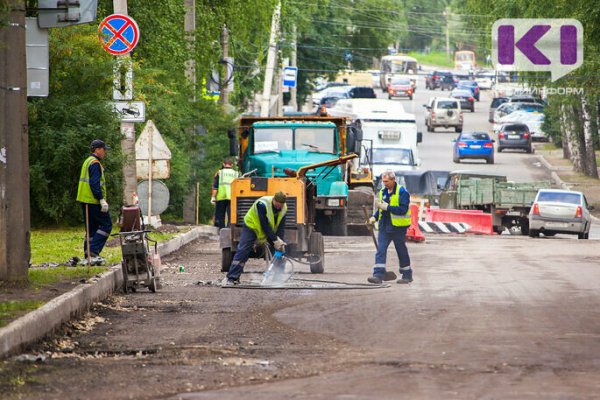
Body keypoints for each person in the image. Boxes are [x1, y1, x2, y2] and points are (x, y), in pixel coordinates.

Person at [224, 192, 288, 285]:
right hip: (252, 227)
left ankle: (277, 278)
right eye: (277, 204)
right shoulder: (262, 204)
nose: (279, 207)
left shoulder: (284, 208)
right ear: (274, 200)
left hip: (266, 230)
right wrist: (274, 240)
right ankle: (232, 277)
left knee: (281, 250)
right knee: (243, 250)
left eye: (281, 205)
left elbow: (280, 227)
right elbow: (264, 225)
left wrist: (279, 241)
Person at [367, 170, 413, 284]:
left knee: (401, 250)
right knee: (380, 250)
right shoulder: (382, 192)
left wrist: (388, 207)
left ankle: (407, 275)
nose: (385, 184)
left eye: (387, 181)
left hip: (398, 228)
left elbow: (403, 210)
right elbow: (381, 209)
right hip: (384, 226)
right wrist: (374, 217)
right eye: (383, 181)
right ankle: (378, 275)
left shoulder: (402, 192)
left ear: (393, 180)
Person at [76, 139, 113, 264]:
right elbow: (94, 183)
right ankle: (93, 251)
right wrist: (101, 199)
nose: (105, 152)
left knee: (91, 228)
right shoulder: (95, 163)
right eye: (103, 149)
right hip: (93, 201)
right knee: (106, 225)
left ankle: (88, 254)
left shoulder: (87, 161)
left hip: (84, 200)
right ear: (97, 150)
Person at [211, 158, 238, 229]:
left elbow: (215, 186)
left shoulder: (220, 173)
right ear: (232, 165)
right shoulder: (236, 174)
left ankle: (221, 230)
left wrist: (213, 197)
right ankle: (229, 230)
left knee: (220, 216)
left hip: (221, 197)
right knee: (231, 216)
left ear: (223, 164)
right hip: (232, 197)